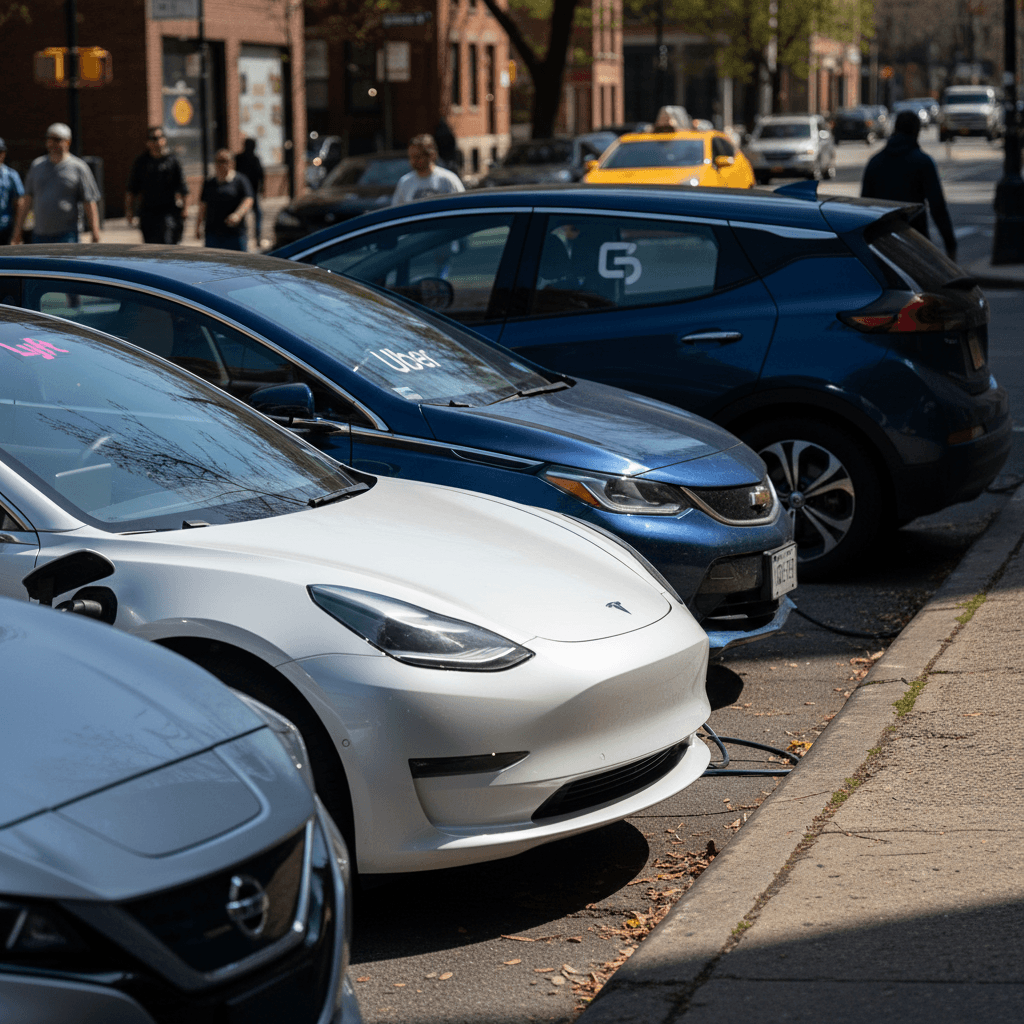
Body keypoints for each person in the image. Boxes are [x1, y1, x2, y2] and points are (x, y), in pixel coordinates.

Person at [861, 110, 957, 259]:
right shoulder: (923, 163)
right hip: (915, 239)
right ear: (916, 132)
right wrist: (950, 244)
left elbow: (864, 206)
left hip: (881, 243)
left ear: (896, 129)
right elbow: (938, 207)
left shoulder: (875, 163)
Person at [11, 122, 101, 244]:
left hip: (68, 235)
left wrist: (95, 231)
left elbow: (89, 202)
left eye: (57, 139)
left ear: (68, 142)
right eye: (49, 139)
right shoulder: (37, 166)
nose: (52, 143)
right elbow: (27, 200)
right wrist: (18, 231)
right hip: (40, 235)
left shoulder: (79, 167)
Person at [125, 126, 188, 244]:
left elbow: (183, 188)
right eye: (152, 139)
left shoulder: (173, 161)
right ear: (147, 142)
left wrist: (185, 210)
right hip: (148, 213)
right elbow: (132, 189)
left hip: (169, 212)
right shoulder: (142, 162)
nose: (156, 142)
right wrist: (129, 211)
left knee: (167, 243)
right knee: (151, 247)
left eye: (159, 138)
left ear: (164, 140)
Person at [195, 149, 253, 251]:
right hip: (213, 234)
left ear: (232, 163)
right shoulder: (209, 183)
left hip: (235, 234)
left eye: (224, 161)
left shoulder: (240, 180)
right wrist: (198, 226)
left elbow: (248, 199)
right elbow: (203, 205)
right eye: (218, 161)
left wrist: (238, 214)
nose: (220, 165)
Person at [392, 134, 464, 205]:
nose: (413, 161)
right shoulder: (405, 182)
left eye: (417, 157)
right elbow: (396, 210)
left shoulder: (448, 180)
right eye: (411, 157)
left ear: (431, 155)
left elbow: (461, 205)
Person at [234, 137, 265, 246]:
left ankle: (249, 237)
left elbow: (261, 175)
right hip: (248, 192)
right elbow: (261, 176)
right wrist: (262, 189)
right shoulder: (252, 158)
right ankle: (253, 238)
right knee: (255, 215)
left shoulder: (240, 158)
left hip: (247, 192)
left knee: (247, 215)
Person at [0, 137, 24, 245]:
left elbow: (19, 205)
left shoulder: (11, 175)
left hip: (5, 230)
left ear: (3, 153)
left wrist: (17, 234)